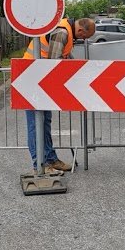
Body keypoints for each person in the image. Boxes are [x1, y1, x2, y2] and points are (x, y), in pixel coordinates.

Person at [22, 16, 96, 174]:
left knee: (45, 121)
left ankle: (50, 159)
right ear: (81, 30)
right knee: (36, 124)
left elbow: (65, 57)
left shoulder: (67, 32)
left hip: (37, 78)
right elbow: (53, 65)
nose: (83, 40)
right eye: (84, 37)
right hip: (31, 79)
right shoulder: (62, 32)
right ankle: (40, 165)